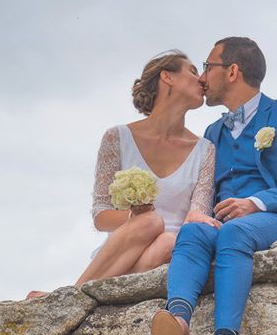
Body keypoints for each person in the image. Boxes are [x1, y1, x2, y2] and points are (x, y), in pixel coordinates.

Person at [150, 37, 277, 335]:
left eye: (207, 67)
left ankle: (226, 334)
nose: (202, 77)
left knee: (235, 232)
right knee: (192, 232)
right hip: (225, 221)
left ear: (232, 72)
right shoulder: (213, 132)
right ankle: (177, 321)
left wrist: (255, 202)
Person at [26, 51, 215, 299]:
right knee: (149, 221)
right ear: (167, 77)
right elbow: (101, 216)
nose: (201, 78)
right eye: (192, 71)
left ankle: (68, 298)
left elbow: (197, 217)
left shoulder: (206, 150)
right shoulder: (116, 138)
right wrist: (133, 216)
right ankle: (75, 297)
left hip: (170, 254)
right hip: (122, 253)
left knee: (166, 241)